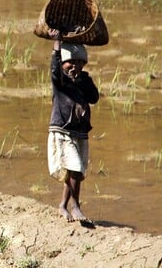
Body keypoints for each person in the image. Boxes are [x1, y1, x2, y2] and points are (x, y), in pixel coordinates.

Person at [47, 28, 99, 223]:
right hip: (62, 130)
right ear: (62, 63)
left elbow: (94, 97)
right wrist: (57, 45)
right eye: (71, 62)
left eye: (79, 62)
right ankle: (75, 206)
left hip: (79, 132)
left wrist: (82, 80)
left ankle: (62, 205)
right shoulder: (61, 81)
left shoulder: (83, 80)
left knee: (74, 171)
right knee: (75, 167)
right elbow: (54, 69)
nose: (74, 66)